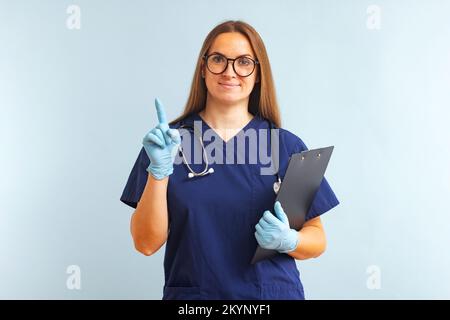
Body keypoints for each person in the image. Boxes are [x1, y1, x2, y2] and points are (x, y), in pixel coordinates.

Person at [120, 20, 339, 300]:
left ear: (258, 73)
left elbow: (317, 239)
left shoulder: (286, 146)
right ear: (203, 68)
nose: (229, 71)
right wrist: (159, 172)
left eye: (244, 62)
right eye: (218, 59)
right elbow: (146, 243)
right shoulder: (168, 144)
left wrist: (290, 240)